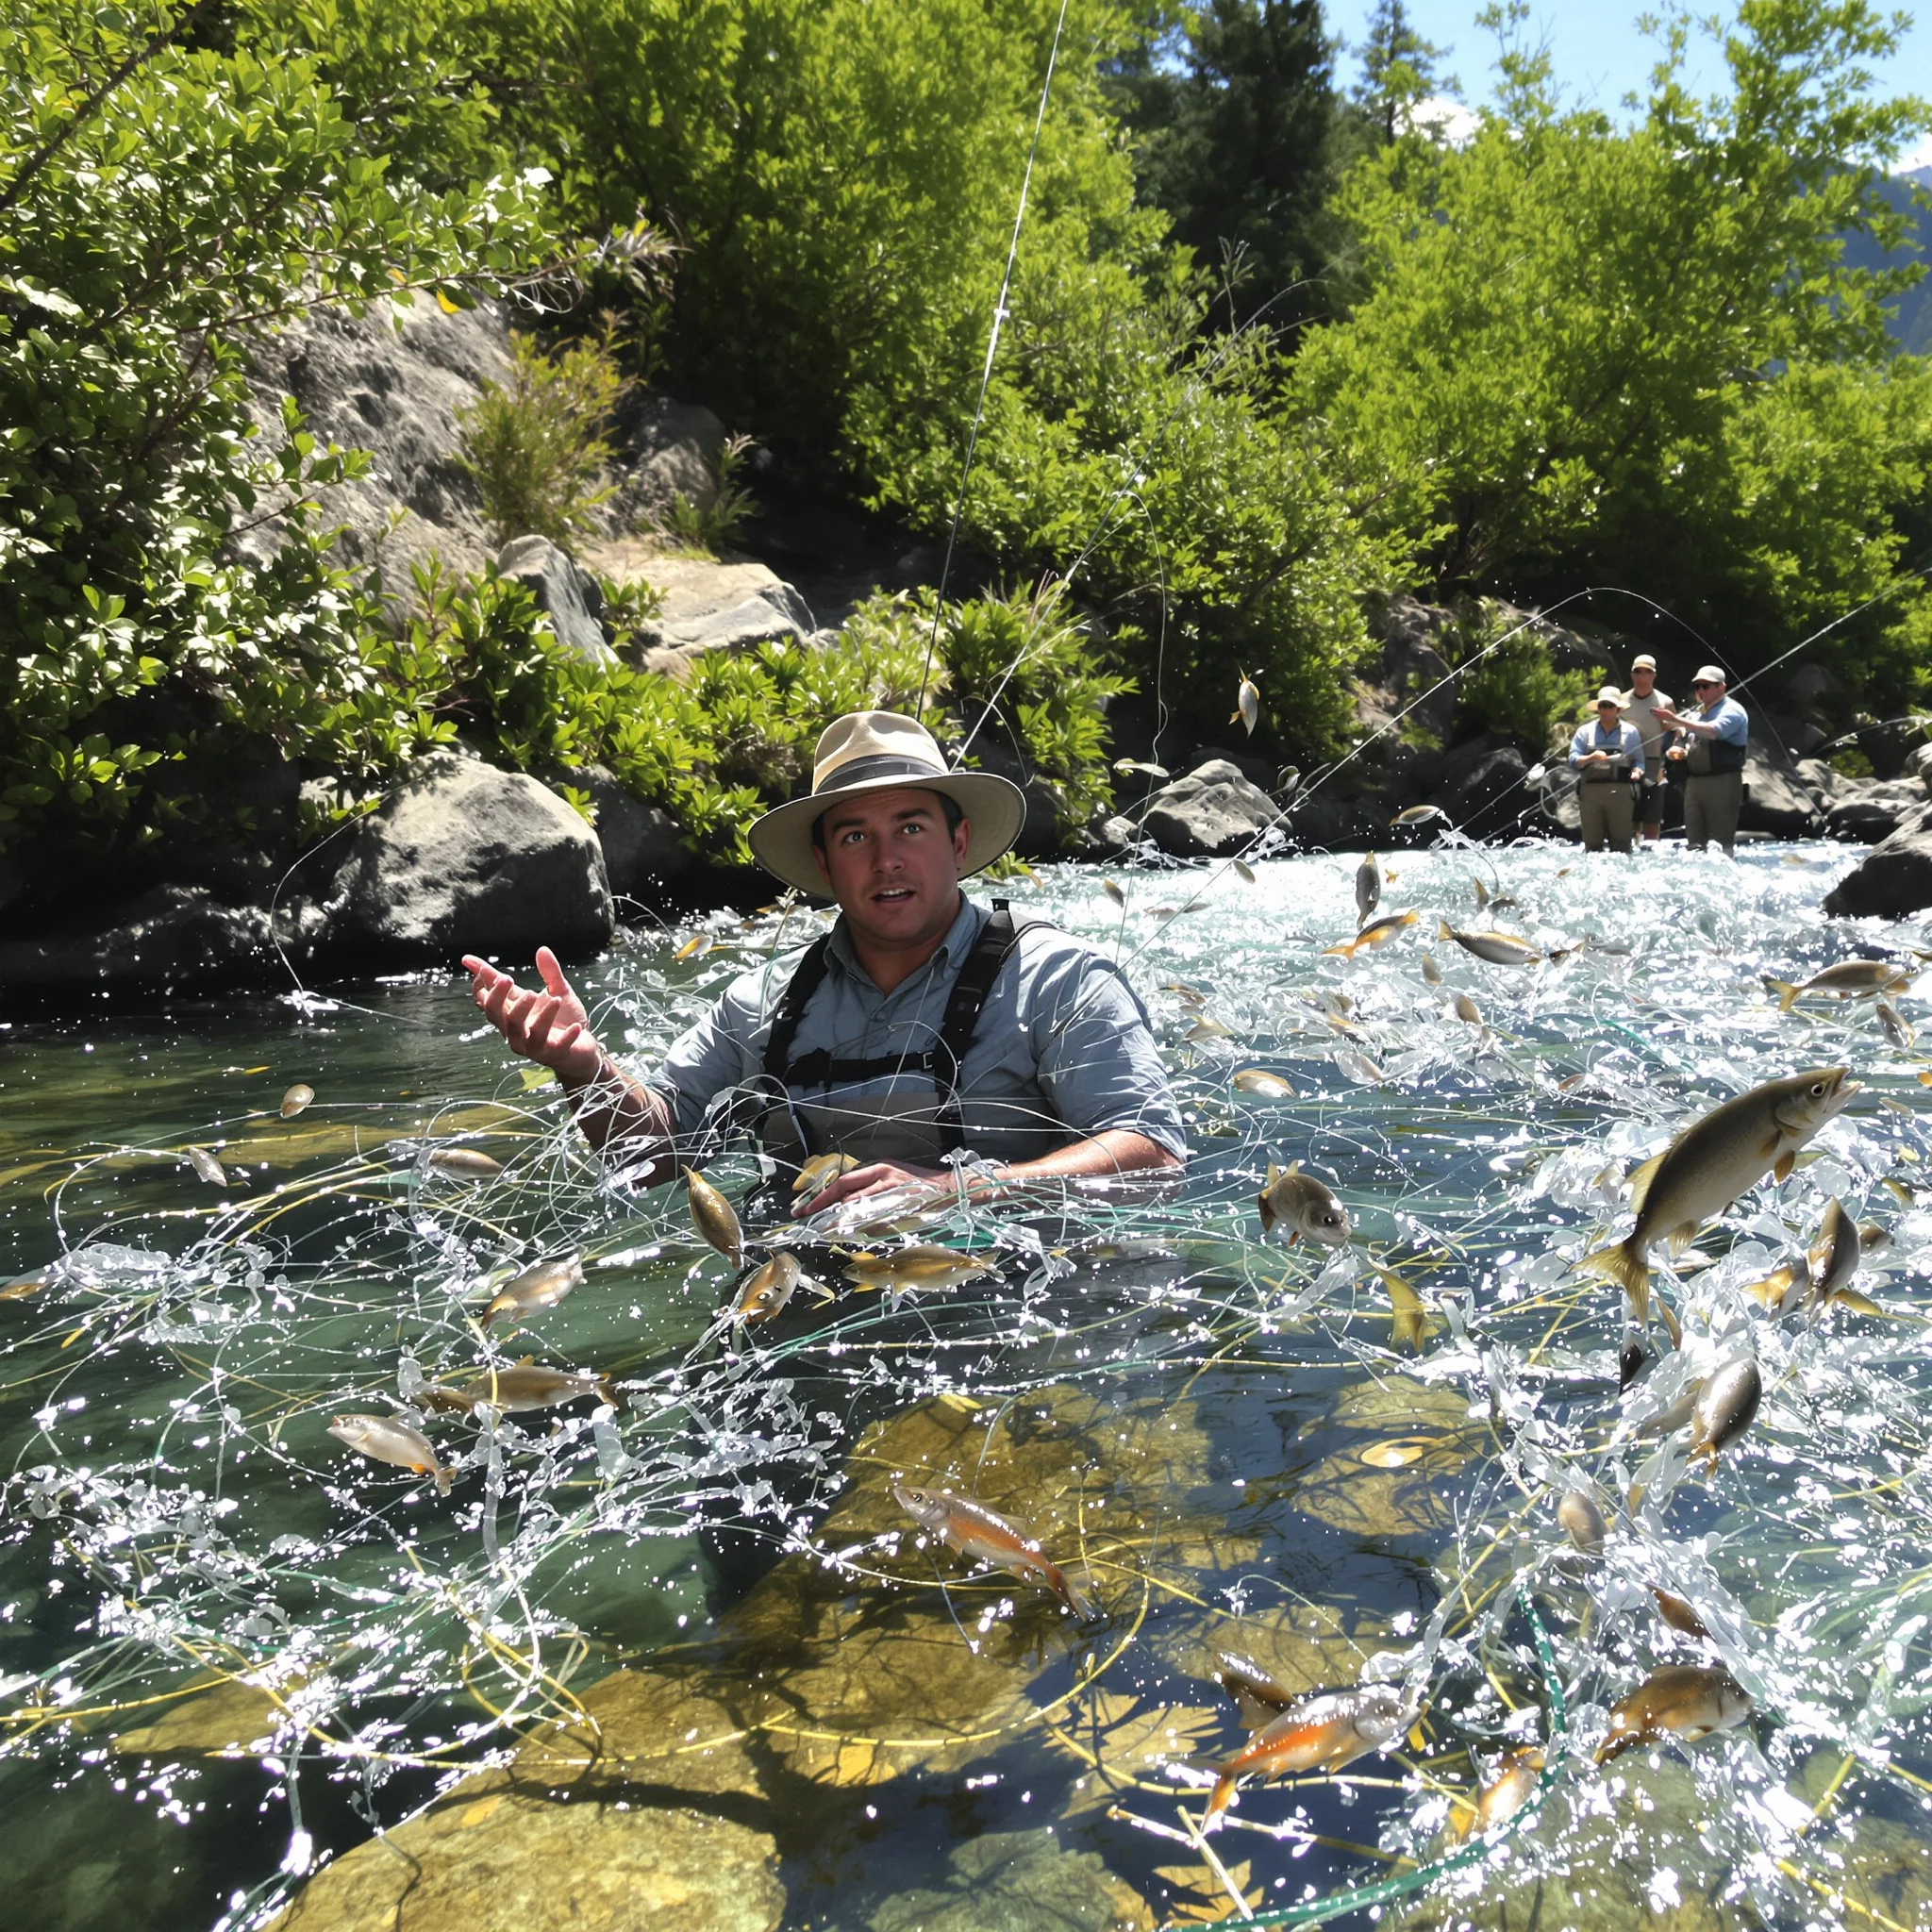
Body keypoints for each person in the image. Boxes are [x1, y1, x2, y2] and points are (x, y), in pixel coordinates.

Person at [461, 711, 1187, 1220]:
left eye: (911, 826)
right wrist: (584, 1070)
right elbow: (652, 1162)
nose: (887, 859)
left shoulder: (1061, 980)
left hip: (1013, 1298)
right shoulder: (757, 1005)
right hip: (799, 1297)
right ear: (822, 864)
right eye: (853, 837)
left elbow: (1153, 1157)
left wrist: (952, 1192)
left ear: (959, 843)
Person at [1654, 667, 1748, 856]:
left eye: (1705, 686)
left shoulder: (1733, 711)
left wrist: (1677, 720)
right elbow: (1685, 738)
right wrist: (1676, 750)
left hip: (1723, 783)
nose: (1700, 691)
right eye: (1697, 686)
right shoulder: (1696, 714)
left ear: (1721, 687)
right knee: (1694, 844)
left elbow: (1713, 731)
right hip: (1694, 784)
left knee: (1719, 845)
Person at [1568, 687, 1646, 854]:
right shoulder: (1584, 732)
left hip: (1620, 793)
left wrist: (1637, 772)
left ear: (1617, 709)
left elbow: (1639, 761)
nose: (1605, 710)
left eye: (1610, 706)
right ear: (1598, 708)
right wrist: (1591, 758)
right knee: (1592, 845)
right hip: (1590, 795)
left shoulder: (1631, 733)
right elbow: (1573, 760)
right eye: (1602, 705)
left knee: (1622, 845)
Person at [1619, 654, 1677, 843]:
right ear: (1632, 674)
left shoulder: (1665, 702)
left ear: (1654, 675)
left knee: (1652, 818)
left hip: (1653, 764)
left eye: (1647, 672)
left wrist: (1671, 754)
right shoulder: (1620, 701)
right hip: (1626, 763)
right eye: (1638, 671)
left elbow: (1675, 731)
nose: (1642, 676)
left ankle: (1651, 852)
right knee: (1627, 816)